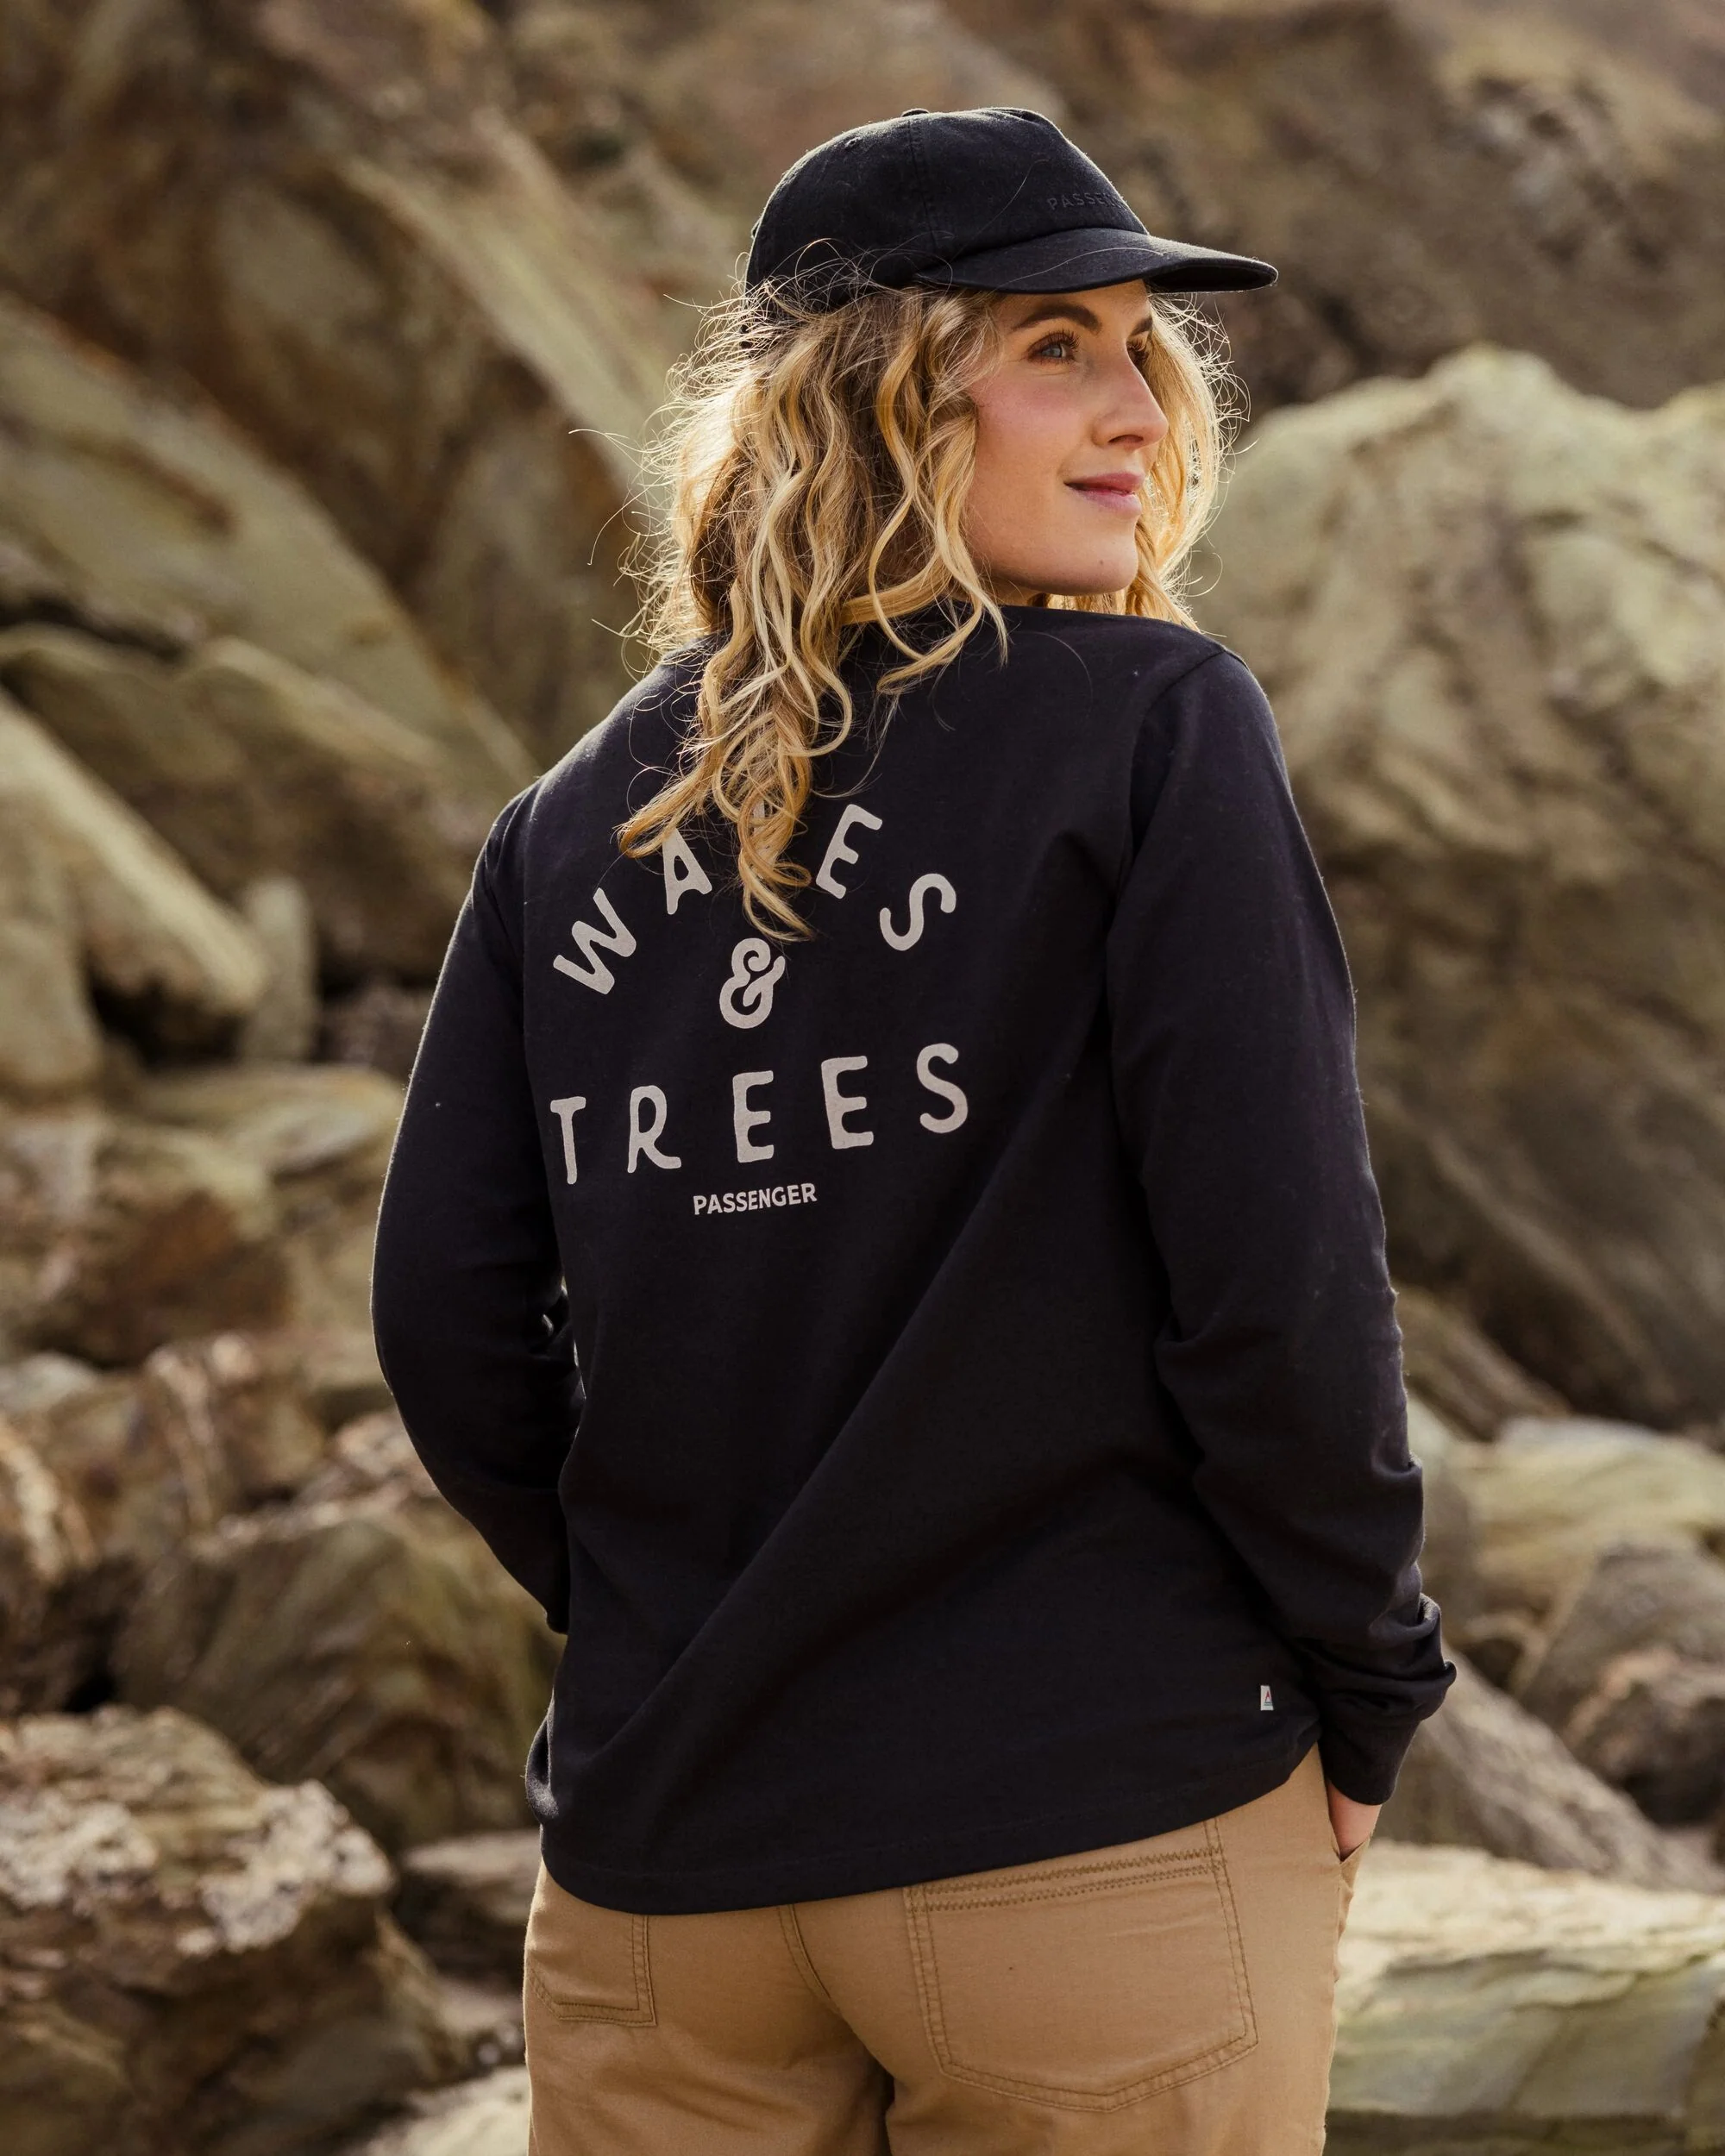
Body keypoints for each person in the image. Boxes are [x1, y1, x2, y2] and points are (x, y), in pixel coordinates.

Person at [372, 105, 1454, 2156]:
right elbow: (1280, 1291)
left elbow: (445, 1326)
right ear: (875, 396)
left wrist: (675, 1614)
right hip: (1089, 1826)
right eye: (1054, 348)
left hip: (669, 1880)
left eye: (1141, 349)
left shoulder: (560, 830)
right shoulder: (1157, 726)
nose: (1138, 408)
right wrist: (1368, 1677)